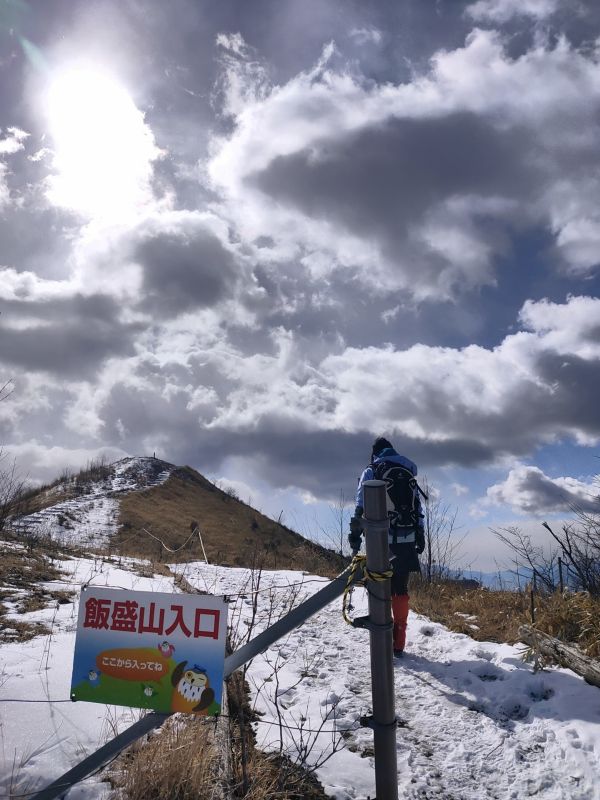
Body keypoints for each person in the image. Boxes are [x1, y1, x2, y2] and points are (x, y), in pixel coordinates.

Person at [349, 436, 425, 657]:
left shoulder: (372, 470)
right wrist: (419, 534)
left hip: (381, 540)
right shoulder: (408, 472)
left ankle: (383, 634)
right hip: (407, 536)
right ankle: (398, 641)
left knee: (381, 584)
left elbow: (361, 504)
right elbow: (418, 507)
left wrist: (355, 536)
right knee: (401, 589)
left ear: (375, 452)